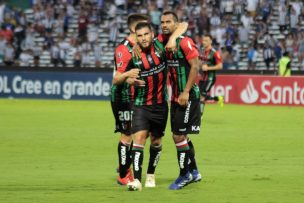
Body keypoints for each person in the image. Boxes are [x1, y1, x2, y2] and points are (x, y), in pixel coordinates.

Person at [158, 11, 202, 190]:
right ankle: (195, 171)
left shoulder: (185, 42)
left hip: (187, 96)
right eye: (162, 22)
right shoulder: (162, 41)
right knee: (182, 135)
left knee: (178, 136)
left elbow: (195, 66)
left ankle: (184, 175)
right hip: (175, 97)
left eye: (168, 22)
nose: (164, 25)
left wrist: (185, 91)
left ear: (175, 24)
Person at [125, 22, 168, 191]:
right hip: (140, 105)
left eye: (146, 34)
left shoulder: (161, 44)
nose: (143, 38)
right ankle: (136, 180)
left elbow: (183, 25)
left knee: (156, 141)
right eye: (139, 36)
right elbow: (126, 77)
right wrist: (131, 80)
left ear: (152, 34)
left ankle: (151, 174)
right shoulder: (133, 55)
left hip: (160, 105)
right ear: (136, 37)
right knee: (139, 139)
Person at [111, 13, 149, 186]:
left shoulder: (140, 47)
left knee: (138, 133)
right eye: (143, 28)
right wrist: (129, 77)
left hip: (135, 96)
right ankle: (123, 174)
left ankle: (123, 166)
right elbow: (117, 78)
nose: (147, 32)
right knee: (127, 135)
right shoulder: (123, 49)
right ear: (135, 29)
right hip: (123, 96)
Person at [198, 34, 224, 118]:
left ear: (210, 41)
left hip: (210, 78)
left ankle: (199, 116)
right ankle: (218, 98)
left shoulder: (215, 53)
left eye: (206, 40)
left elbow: (220, 66)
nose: (204, 42)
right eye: (203, 40)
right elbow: (199, 61)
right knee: (198, 95)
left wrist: (208, 68)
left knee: (202, 96)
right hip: (202, 77)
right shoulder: (201, 51)